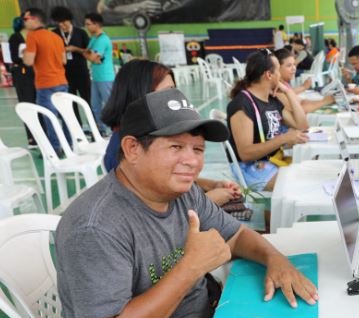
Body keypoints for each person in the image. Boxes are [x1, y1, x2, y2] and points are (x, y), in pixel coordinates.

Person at [55, 87, 318, 318]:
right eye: (176, 147)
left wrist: (275, 258)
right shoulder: (95, 228)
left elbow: (235, 235)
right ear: (132, 149)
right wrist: (191, 267)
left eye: (197, 149)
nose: (192, 161)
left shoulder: (182, 192)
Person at [101, 59, 240, 206]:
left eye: (174, 91)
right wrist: (212, 199)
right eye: (167, 92)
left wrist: (211, 185)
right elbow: (157, 213)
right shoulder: (126, 153)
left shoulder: (149, 134)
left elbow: (167, 176)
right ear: (141, 94)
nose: (174, 99)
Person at [226, 49, 309, 191]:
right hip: (250, 168)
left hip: (271, 160)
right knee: (302, 185)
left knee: (309, 173)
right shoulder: (242, 105)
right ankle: (275, 212)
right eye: (278, 70)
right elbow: (246, 154)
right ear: (268, 75)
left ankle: (272, 212)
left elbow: (302, 125)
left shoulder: (271, 100)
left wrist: (288, 92)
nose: (280, 75)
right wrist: (283, 139)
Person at [22, 7, 69, 154]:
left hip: (45, 84)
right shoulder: (56, 37)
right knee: (66, 116)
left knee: (50, 118)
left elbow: (29, 61)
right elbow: (64, 60)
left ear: (35, 19)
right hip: (62, 81)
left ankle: (55, 148)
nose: (24, 22)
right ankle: (70, 145)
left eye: (25, 19)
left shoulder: (32, 36)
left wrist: (24, 53)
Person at [50, 6, 91, 128]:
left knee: (87, 102)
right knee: (70, 104)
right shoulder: (54, 34)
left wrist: (75, 49)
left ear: (70, 20)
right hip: (64, 75)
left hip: (82, 73)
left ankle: (95, 129)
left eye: (64, 22)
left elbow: (89, 52)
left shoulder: (81, 33)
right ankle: (77, 129)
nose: (62, 25)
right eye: (59, 23)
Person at [83, 12, 115, 134]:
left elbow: (94, 58)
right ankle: (100, 129)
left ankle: (115, 128)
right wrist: (89, 55)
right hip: (96, 77)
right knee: (95, 106)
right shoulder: (94, 39)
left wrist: (89, 55)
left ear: (96, 24)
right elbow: (87, 53)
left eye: (88, 24)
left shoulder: (102, 40)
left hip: (105, 78)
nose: (86, 27)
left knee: (109, 105)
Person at [274, 48, 335, 113]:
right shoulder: (277, 89)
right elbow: (300, 110)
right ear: (277, 68)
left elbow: (301, 102)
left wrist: (325, 100)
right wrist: (325, 101)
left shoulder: (284, 84)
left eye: (294, 64)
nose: (294, 68)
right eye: (289, 66)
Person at [9, 16, 38, 145]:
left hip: (37, 74)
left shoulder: (35, 35)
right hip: (23, 75)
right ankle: (32, 136)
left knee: (40, 105)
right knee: (28, 104)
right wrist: (27, 55)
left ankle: (43, 134)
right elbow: (14, 58)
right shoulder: (15, 37)